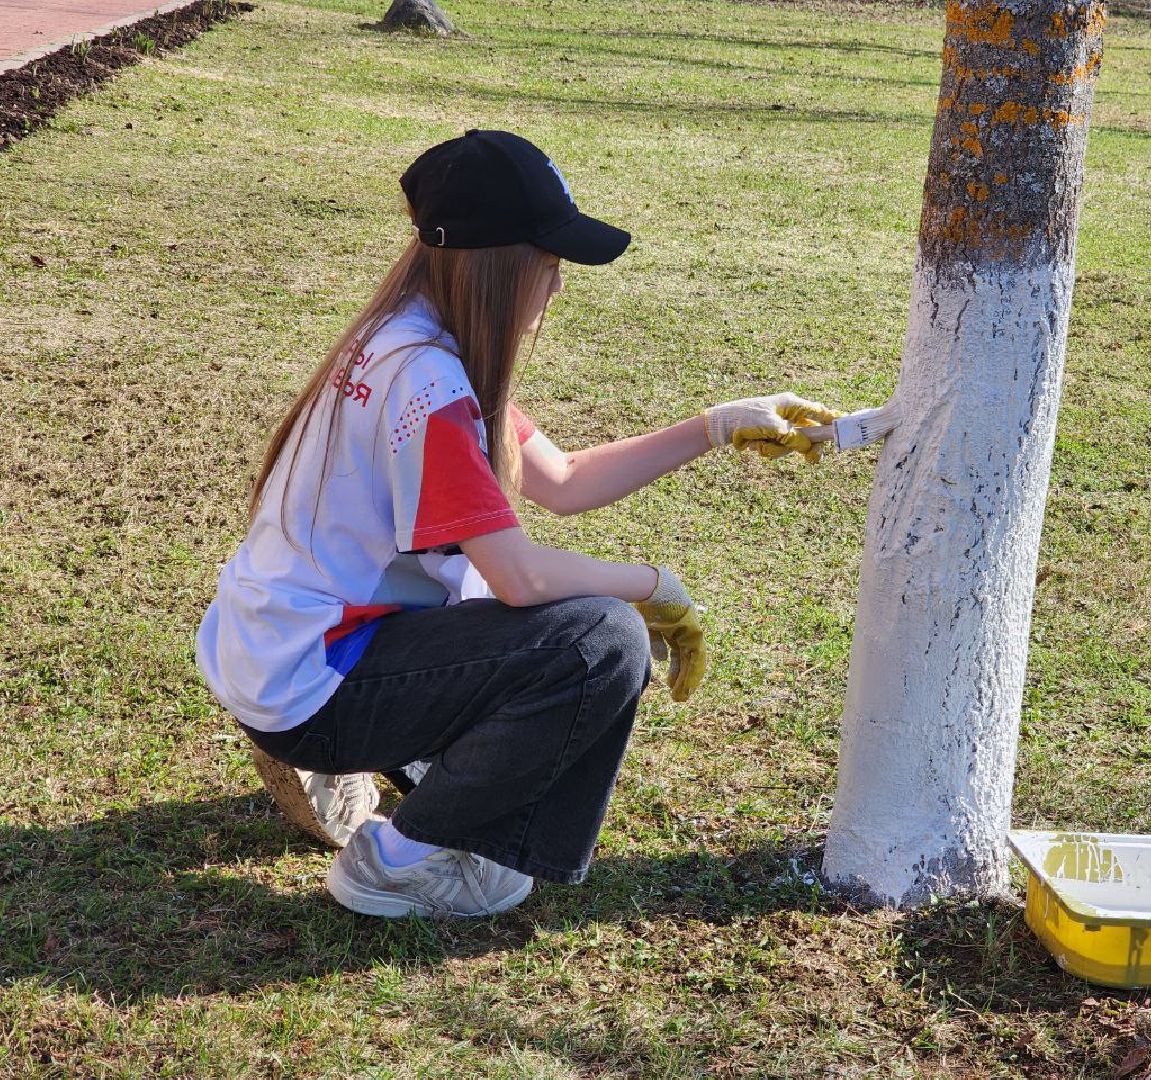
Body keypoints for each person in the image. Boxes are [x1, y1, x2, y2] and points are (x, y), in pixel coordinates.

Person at [197, 129, 840, 919]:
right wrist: (653, 588)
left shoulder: (404, 336)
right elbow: (520, 575)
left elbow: (563, 481)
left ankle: (373, 753)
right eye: (550, 262)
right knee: (599, 643)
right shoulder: (432, 387)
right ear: (498, 264)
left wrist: (712, 425)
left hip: (275, 649)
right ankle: (396, 859)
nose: (558, 287)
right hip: (319, 678)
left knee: (542, 626)